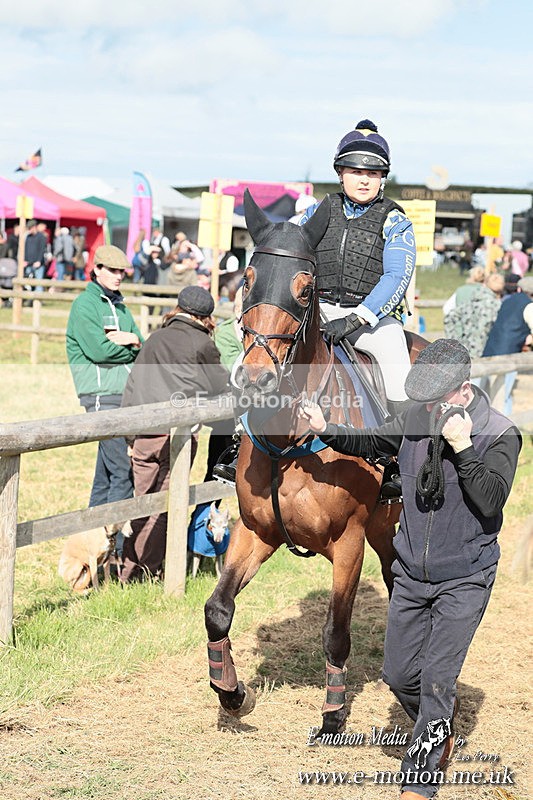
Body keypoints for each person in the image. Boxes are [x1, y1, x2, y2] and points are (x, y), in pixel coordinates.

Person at [300, 338, 522, 800]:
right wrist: (327, 428)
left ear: (462, 391)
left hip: (465, 576)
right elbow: (374, 439)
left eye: (434, 399)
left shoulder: (499, 432)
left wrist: (462, 449)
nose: (425, 408)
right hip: (411, 574)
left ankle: (418, 782)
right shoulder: (417, 419)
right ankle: (438, 727)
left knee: (438, 680)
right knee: (399, 676)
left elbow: (491, 500)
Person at [213, 119, 416, 494]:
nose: (364, 179)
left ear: (383, 178)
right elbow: (285, 252)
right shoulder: (311, 215)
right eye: (355, 170)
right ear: (340, 173)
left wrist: (358, 318)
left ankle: (399, 460)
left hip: (373, 319)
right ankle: (236, 441)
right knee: (254, 358)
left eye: (373, 172)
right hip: (317, 312)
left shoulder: (396, 222)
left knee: (396, 367)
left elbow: (396, 278)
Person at [119, 285, 229, 581]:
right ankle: (150, 570)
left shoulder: (154, 339)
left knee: (141, 501)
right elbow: (219, 384)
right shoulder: (202, 344)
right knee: (166, 504)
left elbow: (133, 388)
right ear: (206, 317)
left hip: (143, 433)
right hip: (178, 436)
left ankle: (128, 571)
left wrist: (130, 437)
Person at [66, 245, 143, 551]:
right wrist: (129, 344)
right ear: (96, 269)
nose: (118, 276)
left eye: (121, 271)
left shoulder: (122, 309)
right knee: (123, 472)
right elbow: (98, 351)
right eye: (112, 270)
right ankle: (114, 549)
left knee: (106, 475)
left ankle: (90, 543)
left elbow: (142, 344)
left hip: (125, 397)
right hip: (100, 397)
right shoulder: (84, 306)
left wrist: (131, 339)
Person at [481, 275, 533, 415]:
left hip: (491, 349)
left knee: (487, 396)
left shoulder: (508, 300)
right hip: (508, 354)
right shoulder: (529, 305)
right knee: (503, 398)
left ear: (520, 288)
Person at [443, 272, 504, 358]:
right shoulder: (498, 306)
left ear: (485, 284)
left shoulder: (471, 302)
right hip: (487, 354)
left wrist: (455, 341)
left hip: (465, 352)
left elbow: (449, 317)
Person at [24, 219, 47, 291]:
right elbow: (26, 249)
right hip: (29, 263)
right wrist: (25, 260)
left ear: (34, 227)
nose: (29, 230)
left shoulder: (41, 237)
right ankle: (28, 299)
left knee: (38, 282)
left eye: (30, 228)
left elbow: (42, 250)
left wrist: (39, 261)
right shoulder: (28, 237)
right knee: (28, 283)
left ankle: (37, 300)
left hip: (38, 264)